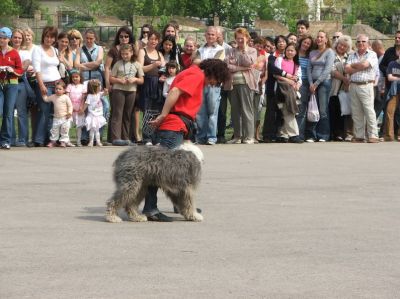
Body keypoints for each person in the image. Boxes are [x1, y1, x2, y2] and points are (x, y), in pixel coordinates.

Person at [142, 59, 230, 222]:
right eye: (216, 80)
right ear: (214, 73)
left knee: (178, 170)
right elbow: (175, 91)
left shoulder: (193, 71)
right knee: (157, 168)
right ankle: (150, 208)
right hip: (174, 125)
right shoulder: (196, 75)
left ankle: (181, 205)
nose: (214, 84)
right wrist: (163, 115)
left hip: (181, 125)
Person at [225, 27, 258, 144]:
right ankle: (237, 136)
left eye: (242, 39)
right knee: (235, 111)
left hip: (246, 83)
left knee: (247, 110)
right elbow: (228, 66)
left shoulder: (252, 51)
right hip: (232, 84)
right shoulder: (231, 51)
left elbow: (249, 62)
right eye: (238, 39)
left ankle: (249, 136)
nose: (239, 41)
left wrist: (244, 49)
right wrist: (242, 68)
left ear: (247, 39)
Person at [193, 26, 225, 145]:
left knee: (212, 111)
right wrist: (208, 63)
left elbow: (216, 64)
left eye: (213, 34)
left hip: (213, 83)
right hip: (200, 83)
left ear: (217, 36)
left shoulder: (220, 49)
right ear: (205, 35)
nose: (210, 36)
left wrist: (202, 63)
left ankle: (211, 137)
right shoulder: (200, 49)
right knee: (200, 112)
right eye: (208, 34)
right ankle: (201, 137)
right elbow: (194, 63)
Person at [345, 34, 380, 143]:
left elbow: (365, 65)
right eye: (359, 41)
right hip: (354, 85)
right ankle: (359, 136)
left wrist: (353, 67)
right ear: (356, 44)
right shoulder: (351, 55)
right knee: (356, 112)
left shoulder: (372, 54)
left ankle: (373, 135)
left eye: (363, 41)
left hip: (366, 84)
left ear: (368, 43)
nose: (361, 43)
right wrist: (359, 66)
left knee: (369, 111)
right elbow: (346, 69)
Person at [32, 26, 61, 147]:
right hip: (45, 84)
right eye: (47, 36)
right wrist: (41, 84)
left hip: (57, 84)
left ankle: (51, 139)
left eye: (52, 37)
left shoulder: (55, 50)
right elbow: (37, 69)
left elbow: (56, 66)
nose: (49, 39)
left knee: (54, 113)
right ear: (43, 36)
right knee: (44, 111)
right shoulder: (37, 49)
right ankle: (39, 139)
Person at [109, 44, 144, 145]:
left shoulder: (137, 64)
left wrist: (135, 79)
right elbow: (111, 78)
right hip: (118, 90)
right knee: (117, 113)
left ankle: (126, 138)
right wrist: (119, 80)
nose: (125, 56)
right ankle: (116, 138)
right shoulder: (117, 63)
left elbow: (142, 80)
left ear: (132, 53)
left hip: (131, 91)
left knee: (127, 115)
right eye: (123, 54)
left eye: (127, 54)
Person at [137, 30, 165, 145]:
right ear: (147, 39)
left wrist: (163, 75)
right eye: (151, 38)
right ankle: (147, 138)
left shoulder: (160, 54)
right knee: (147, 111)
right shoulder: (142, 51)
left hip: (157, 85)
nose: (153, 41)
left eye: (155, 39)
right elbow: (139, 68)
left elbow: (164, 68)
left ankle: (155, 138)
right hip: (147, 83)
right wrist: (153, 65)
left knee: (157, 112)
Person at [307, 30, 335, 142]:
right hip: (312, 83)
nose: (319, 39)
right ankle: (312, 135)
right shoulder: (312, 52)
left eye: (322, 37)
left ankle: (323, 135)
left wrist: (317, 83)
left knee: (322, 110)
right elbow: (309, 69)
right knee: (313, 108)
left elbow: (327, 69)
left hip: (324, 83)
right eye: (318, 37)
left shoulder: (330, 52)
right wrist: (310, 83)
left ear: (326, 39)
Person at [274, 43, 303, 143]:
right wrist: (288, 80)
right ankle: (294, 134)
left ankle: (282, 134)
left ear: (296, 52)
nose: (290, 52)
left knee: (288, 111)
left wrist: (297, 85)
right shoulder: (279, 60)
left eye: (292, 50)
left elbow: (299, 78)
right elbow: (276, 74)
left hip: (292, 91)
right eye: (288, 50)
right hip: (281, 89)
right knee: (287, 111)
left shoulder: (297, 65)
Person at [0, 27, 23, 150]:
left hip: (12, 84)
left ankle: (5, 140)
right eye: (0, 38)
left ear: (9, 39)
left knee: (8, 113)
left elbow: (20, 70)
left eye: (4, 38)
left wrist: (12, 70)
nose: (2, 40)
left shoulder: (14, 53)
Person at [329, 35, 353, 142]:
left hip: (346, 89)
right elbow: (332, 70)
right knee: (334, 110)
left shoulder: (350, 56)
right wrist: (344, 78)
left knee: (345, 111)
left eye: (345, 46)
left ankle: (344, 133)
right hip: (334, 87)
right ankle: (335, 133)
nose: (342, 47)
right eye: (340, 44)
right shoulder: (331, 54)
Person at [11, 28, 30, 147]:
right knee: (8, 112)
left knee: (22, 112)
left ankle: (23, 139)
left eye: (19, 37)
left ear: (22, 39)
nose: (17, 39)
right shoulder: (5, 51)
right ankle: (10, 138)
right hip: (7, 84)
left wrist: (10, 69)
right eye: (15, 37)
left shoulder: (25, 53)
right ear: (11, 38)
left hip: (20, 83)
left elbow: (24, 68)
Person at [43, 81, 73, 148]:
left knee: (64, 130)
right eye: (56, 89)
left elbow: (70, 106)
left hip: (65, 117)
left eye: (60, 89)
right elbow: (46, 99)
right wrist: (43, 95)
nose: (57, 90)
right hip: (56, 118)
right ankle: (53, 142)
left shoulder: (66, 97)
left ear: (64, 90)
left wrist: (69, 113)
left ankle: (63, 142)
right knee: (54, 130)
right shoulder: (53, 96)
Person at [296, 35, 313, 141]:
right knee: (294, 109)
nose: (306, 45)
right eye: (305, 42)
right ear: (301, 42)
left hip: (306, 83)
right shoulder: (294, 53)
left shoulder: (309, 56)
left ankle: (300, 134)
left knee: (302, 109)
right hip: (295, 82)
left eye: (308, 44)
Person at [66, 69, 86, 146]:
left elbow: (83, 98)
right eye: (73, 77)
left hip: (79, 110)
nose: (75, 78)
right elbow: (67, 98)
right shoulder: (69, 86)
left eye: (77, 77)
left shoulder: (83, 86)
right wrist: (70, 108)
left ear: (80, 77)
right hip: (70, 110)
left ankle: (78, 141)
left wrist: (82, 108)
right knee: (68, 125)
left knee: (79, 126)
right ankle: (67, 141)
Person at [84, 79, 107, 147]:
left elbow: (105, 94)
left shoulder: (99, 94)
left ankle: (98, 141)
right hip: (92, 114)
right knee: (92, 129)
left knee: (97, 130)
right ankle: (91, 141)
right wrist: (82, 110)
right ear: (95, 88)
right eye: (99, 86)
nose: (100, 88)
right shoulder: (90, 96)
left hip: (98, 114)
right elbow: (86, 104)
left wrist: (106, 91)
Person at [383, 58, 400, 141]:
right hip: (394, 92)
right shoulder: (392, 64)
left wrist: (395, 78)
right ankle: (389, 136)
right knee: (389, 112)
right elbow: (389, 77)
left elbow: (393, 77)